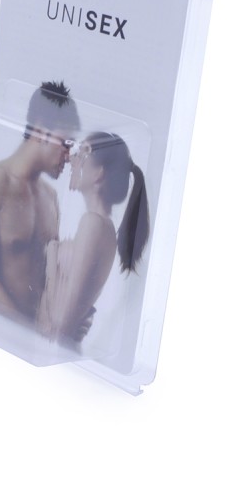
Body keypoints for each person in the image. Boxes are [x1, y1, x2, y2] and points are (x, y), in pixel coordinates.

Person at [0, 81, 80, 326]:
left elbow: (51, 278)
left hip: (37, 335)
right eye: (66, 143)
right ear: (41, 131)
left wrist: (68, 319)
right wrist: (26, 330)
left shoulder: (51, 197)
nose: (68, 156)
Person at [36, 132, 149, 346]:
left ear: (99, 173)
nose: (72, 159)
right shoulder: (103, 227)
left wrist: (51, 253)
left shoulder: (93, 224)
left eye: (82, 153)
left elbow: (60, 322)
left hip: (53, 347)